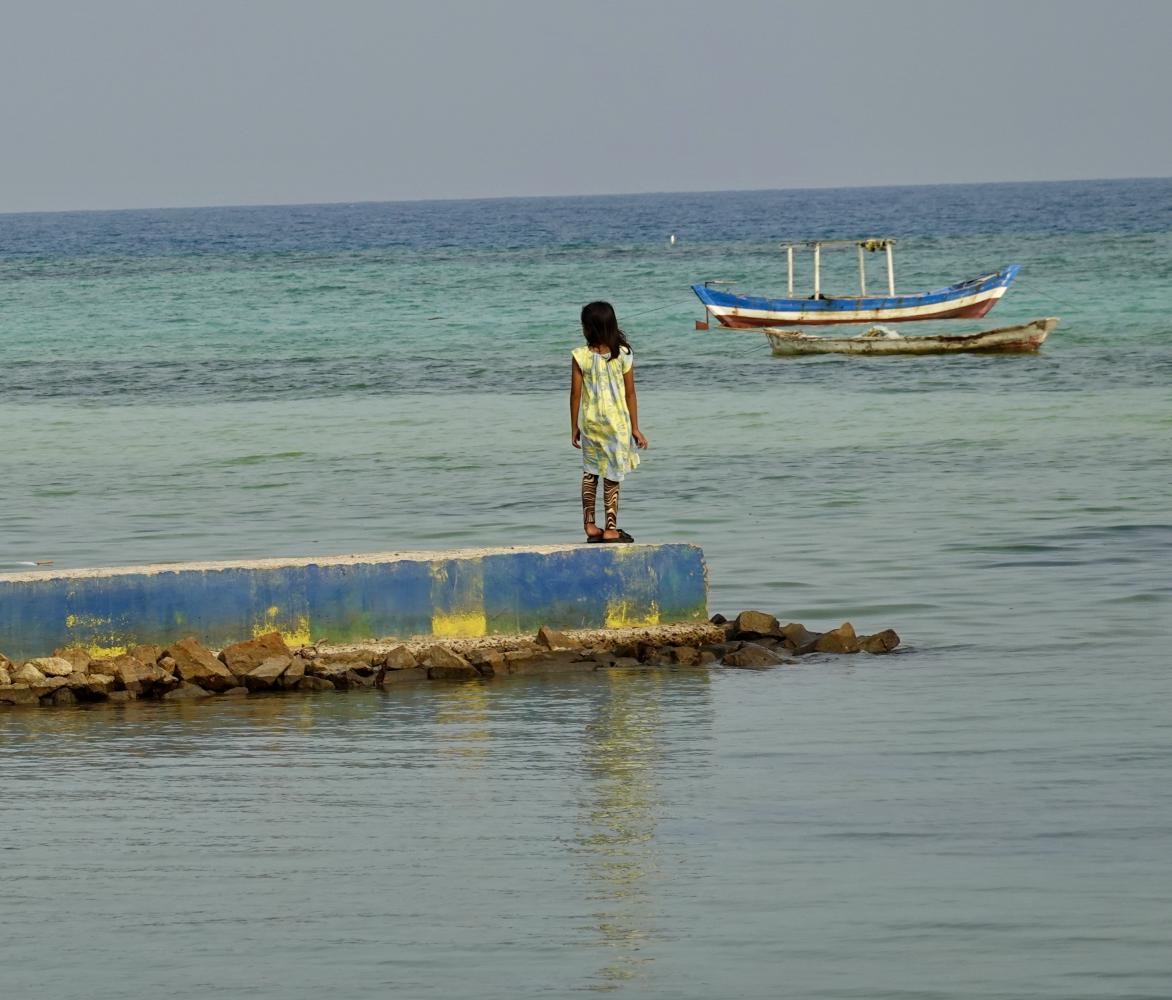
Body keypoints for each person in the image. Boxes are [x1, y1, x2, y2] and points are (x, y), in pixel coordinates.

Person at [570, 301, 648, 543]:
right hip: (617, 426)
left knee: (590, 473)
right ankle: (611, 528)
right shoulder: (623, 354)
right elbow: (630, 393)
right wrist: (635, 427)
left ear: (589, 329)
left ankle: (590, 526)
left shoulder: (580, 356)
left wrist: (574, 426)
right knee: (612, 475)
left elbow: (575, 394)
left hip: (592, 424)